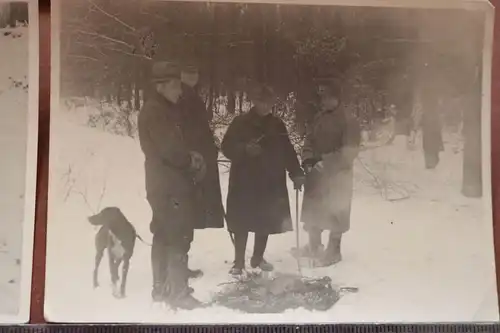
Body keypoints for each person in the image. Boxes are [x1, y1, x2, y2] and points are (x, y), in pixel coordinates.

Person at [137, 61, 205, 309]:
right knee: (178, 234)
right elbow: (171, 151)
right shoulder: (156, 112)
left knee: (163, 233)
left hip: (161, 182)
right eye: (175, 86)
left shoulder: (160, 109)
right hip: (169, 183)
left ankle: (161, 288)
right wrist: (192, 160)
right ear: (161, 86)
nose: (179, 91)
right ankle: (178, 293)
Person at [221, 83, 305, 276]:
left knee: (265, 220)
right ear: (254, 101)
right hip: (244, 181)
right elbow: (226, 147)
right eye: (262, 102)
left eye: (269, 102)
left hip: (270, 180)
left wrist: (296, 172)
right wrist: (244, 149)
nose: (266, 106)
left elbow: (287, 151)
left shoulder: (277, 124)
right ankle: (239, 262)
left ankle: (258, 257)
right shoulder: (240, 122)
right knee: (242, 221)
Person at [294, 77, 361, 267]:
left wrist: (326, 161)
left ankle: (334, 251)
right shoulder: (319, 117)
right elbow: (309, 139)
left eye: (327, 97)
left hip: (338, 174)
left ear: (337, 98)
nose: (323, 101)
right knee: (314, 208)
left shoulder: (349, 120)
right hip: (316, 172)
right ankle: (314, 246)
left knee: (335, 210)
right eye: (321, 97)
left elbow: (350, 151)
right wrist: (307, 158)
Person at [177, 61, 225, 276]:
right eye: (188, 72)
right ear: (179, 75)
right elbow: (186, 132)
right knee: (185, 215)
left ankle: (180, 265)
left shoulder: (192, 96)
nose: (192, 75)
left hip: (198, 161)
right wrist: (198, 154)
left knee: (189, 215)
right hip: (191, 164)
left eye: (195, 71)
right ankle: (177, 267)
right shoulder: (181, 98)